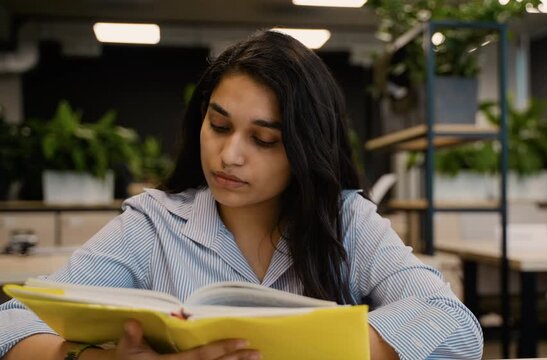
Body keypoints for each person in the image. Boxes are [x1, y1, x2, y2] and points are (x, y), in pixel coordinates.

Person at [0, 30, 483, 360]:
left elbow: (452, 324)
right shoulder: (153, 224)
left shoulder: (346, 220)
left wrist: (309, 348)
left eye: (264, 139)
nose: (229, 155)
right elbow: (12, 322)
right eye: (219, 125)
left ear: (304, 148)